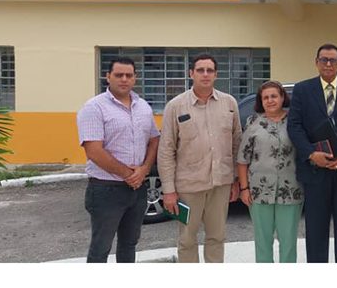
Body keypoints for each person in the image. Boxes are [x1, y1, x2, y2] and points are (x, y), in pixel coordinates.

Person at [287, 43, 337, 263]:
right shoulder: (302, 90)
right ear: (316, 62)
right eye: (324, 59)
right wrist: (311, 154)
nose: (328, 64)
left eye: (333, 60)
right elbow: (294, 126)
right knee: (315, 229)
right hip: (315, 171)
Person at [157, 53, 242, 263]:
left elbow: (236, 143)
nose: (205, 74)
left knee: (217, 237)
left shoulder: (229, 103)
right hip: (188, 187)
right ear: (191, 73)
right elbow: (166, 149)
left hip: (220, 184)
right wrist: (168, 190)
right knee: (187, 240)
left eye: (210, 70)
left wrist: (236, 180)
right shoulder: (175, 106)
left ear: (216, 74)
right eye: (200, 70)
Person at [77, 57, 160, 263]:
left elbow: (154, 139)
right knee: (100, 248)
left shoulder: (143, 107)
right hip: (106, 190)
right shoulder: (94, 107)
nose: (124, 79)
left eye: (129, 75)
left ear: (135, 78)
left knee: (129, 244)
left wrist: (144, 169)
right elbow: (94, 151)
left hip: (137, 189)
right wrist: (128, 174)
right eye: (118, 75)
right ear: (108, 77)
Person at [236, 81, 303, 263]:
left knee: (288, 243)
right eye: (265, 97)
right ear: (260, 101)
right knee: (263, 242)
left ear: (282, 97)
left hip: (291, 191)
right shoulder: (253, 123)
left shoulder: (295, 121)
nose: (270, 100)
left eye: (274, 96)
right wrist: (244, 189)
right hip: (259, 191)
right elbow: (242, 159)